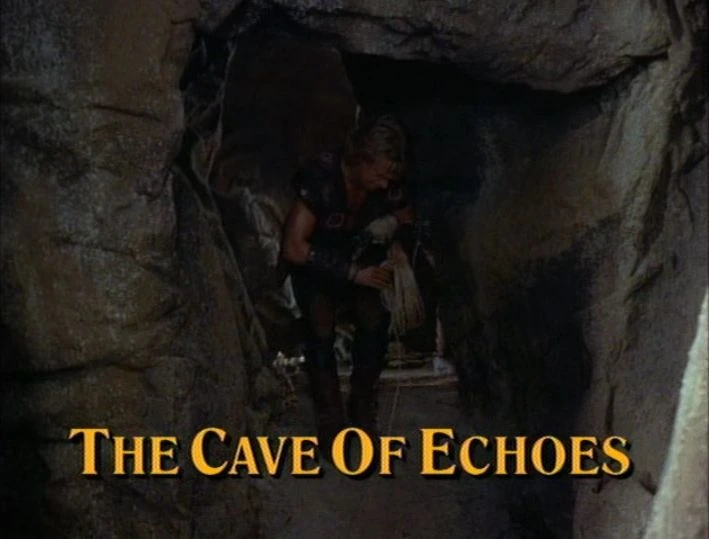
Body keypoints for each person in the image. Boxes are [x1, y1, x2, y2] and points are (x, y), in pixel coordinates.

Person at [280, 115, 414, 451]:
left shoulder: (387, 184)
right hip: (319, 265)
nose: (384, 184)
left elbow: (406, 216)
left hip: (364, 256)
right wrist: (352, 272)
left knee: (374, 315)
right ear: (361, 159)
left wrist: (396, 239)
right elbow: (294, 247)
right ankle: (330, 416)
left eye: (389, 178)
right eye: (379, 175)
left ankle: (362, 403)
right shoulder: (321, 178)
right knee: (320, 322)